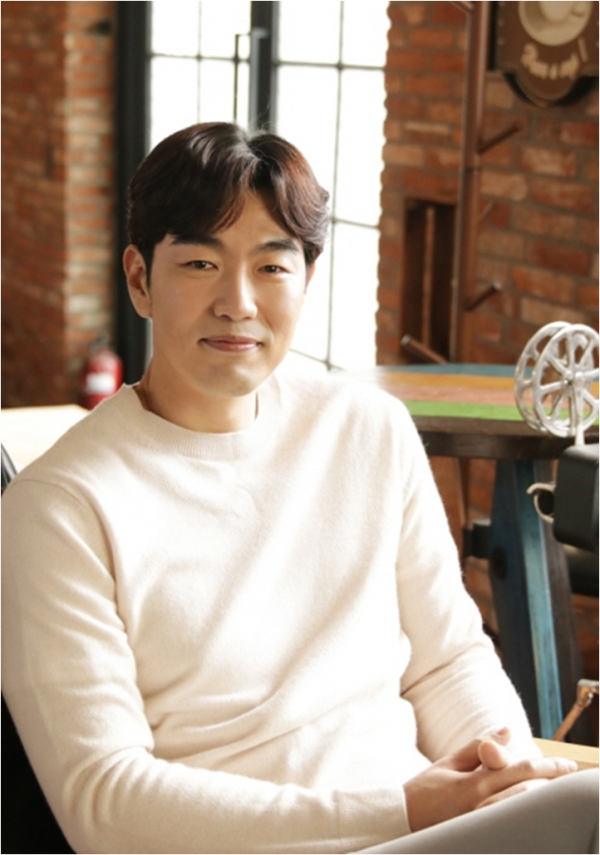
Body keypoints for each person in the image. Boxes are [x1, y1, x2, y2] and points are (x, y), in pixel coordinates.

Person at [2, 122, 597, 855]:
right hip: (274, 842)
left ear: (307, 279)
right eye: (199, 263)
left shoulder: (368, 428)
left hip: (424, 831)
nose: (238, 302)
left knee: (585, 807)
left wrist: (506, 780)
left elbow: (447, 661)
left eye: (272, 267)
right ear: (139, 278)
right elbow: (105, 803)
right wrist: (400, 810)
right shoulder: (59, 509)